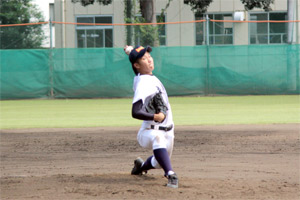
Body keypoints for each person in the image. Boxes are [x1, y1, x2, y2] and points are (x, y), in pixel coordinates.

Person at [124, 45, 178, 188]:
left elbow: (137, 63)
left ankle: (140, 167)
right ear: (137, 65)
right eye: (144, 58)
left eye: (149, 56)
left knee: (158, 162)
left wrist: (131, 51)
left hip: (169, 131)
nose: (149, 60)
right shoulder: (144, 83)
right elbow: (135, 112)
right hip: (149, 130)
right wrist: (155, 116)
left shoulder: (144, 76)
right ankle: (171, 175)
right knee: (157, 138)